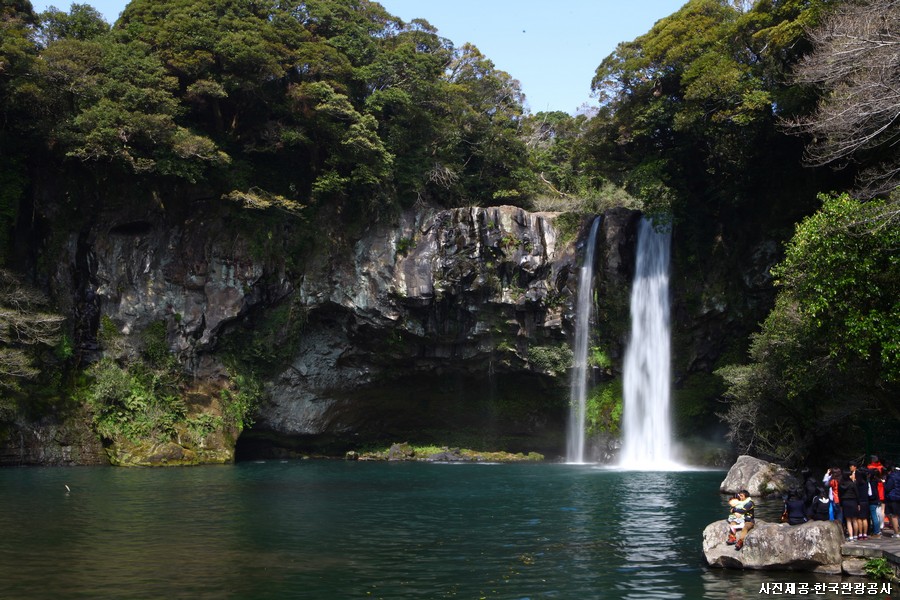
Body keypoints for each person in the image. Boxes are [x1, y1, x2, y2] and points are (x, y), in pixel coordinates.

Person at [840, 466, 860, 540]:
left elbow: (839, 495)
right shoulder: (852, 484)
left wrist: (841, 504)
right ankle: (855, 535)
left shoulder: (841, 484)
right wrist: (858, 504)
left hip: (845, 502)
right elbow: (857, 494)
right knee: (854, 520)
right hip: (853, 502)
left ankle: (850, 536)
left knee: (848, 520)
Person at [885, 462, 900, 536]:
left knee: (894, 516)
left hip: (893, 498)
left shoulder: (892, 477)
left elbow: (888, 488)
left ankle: (896, 533)